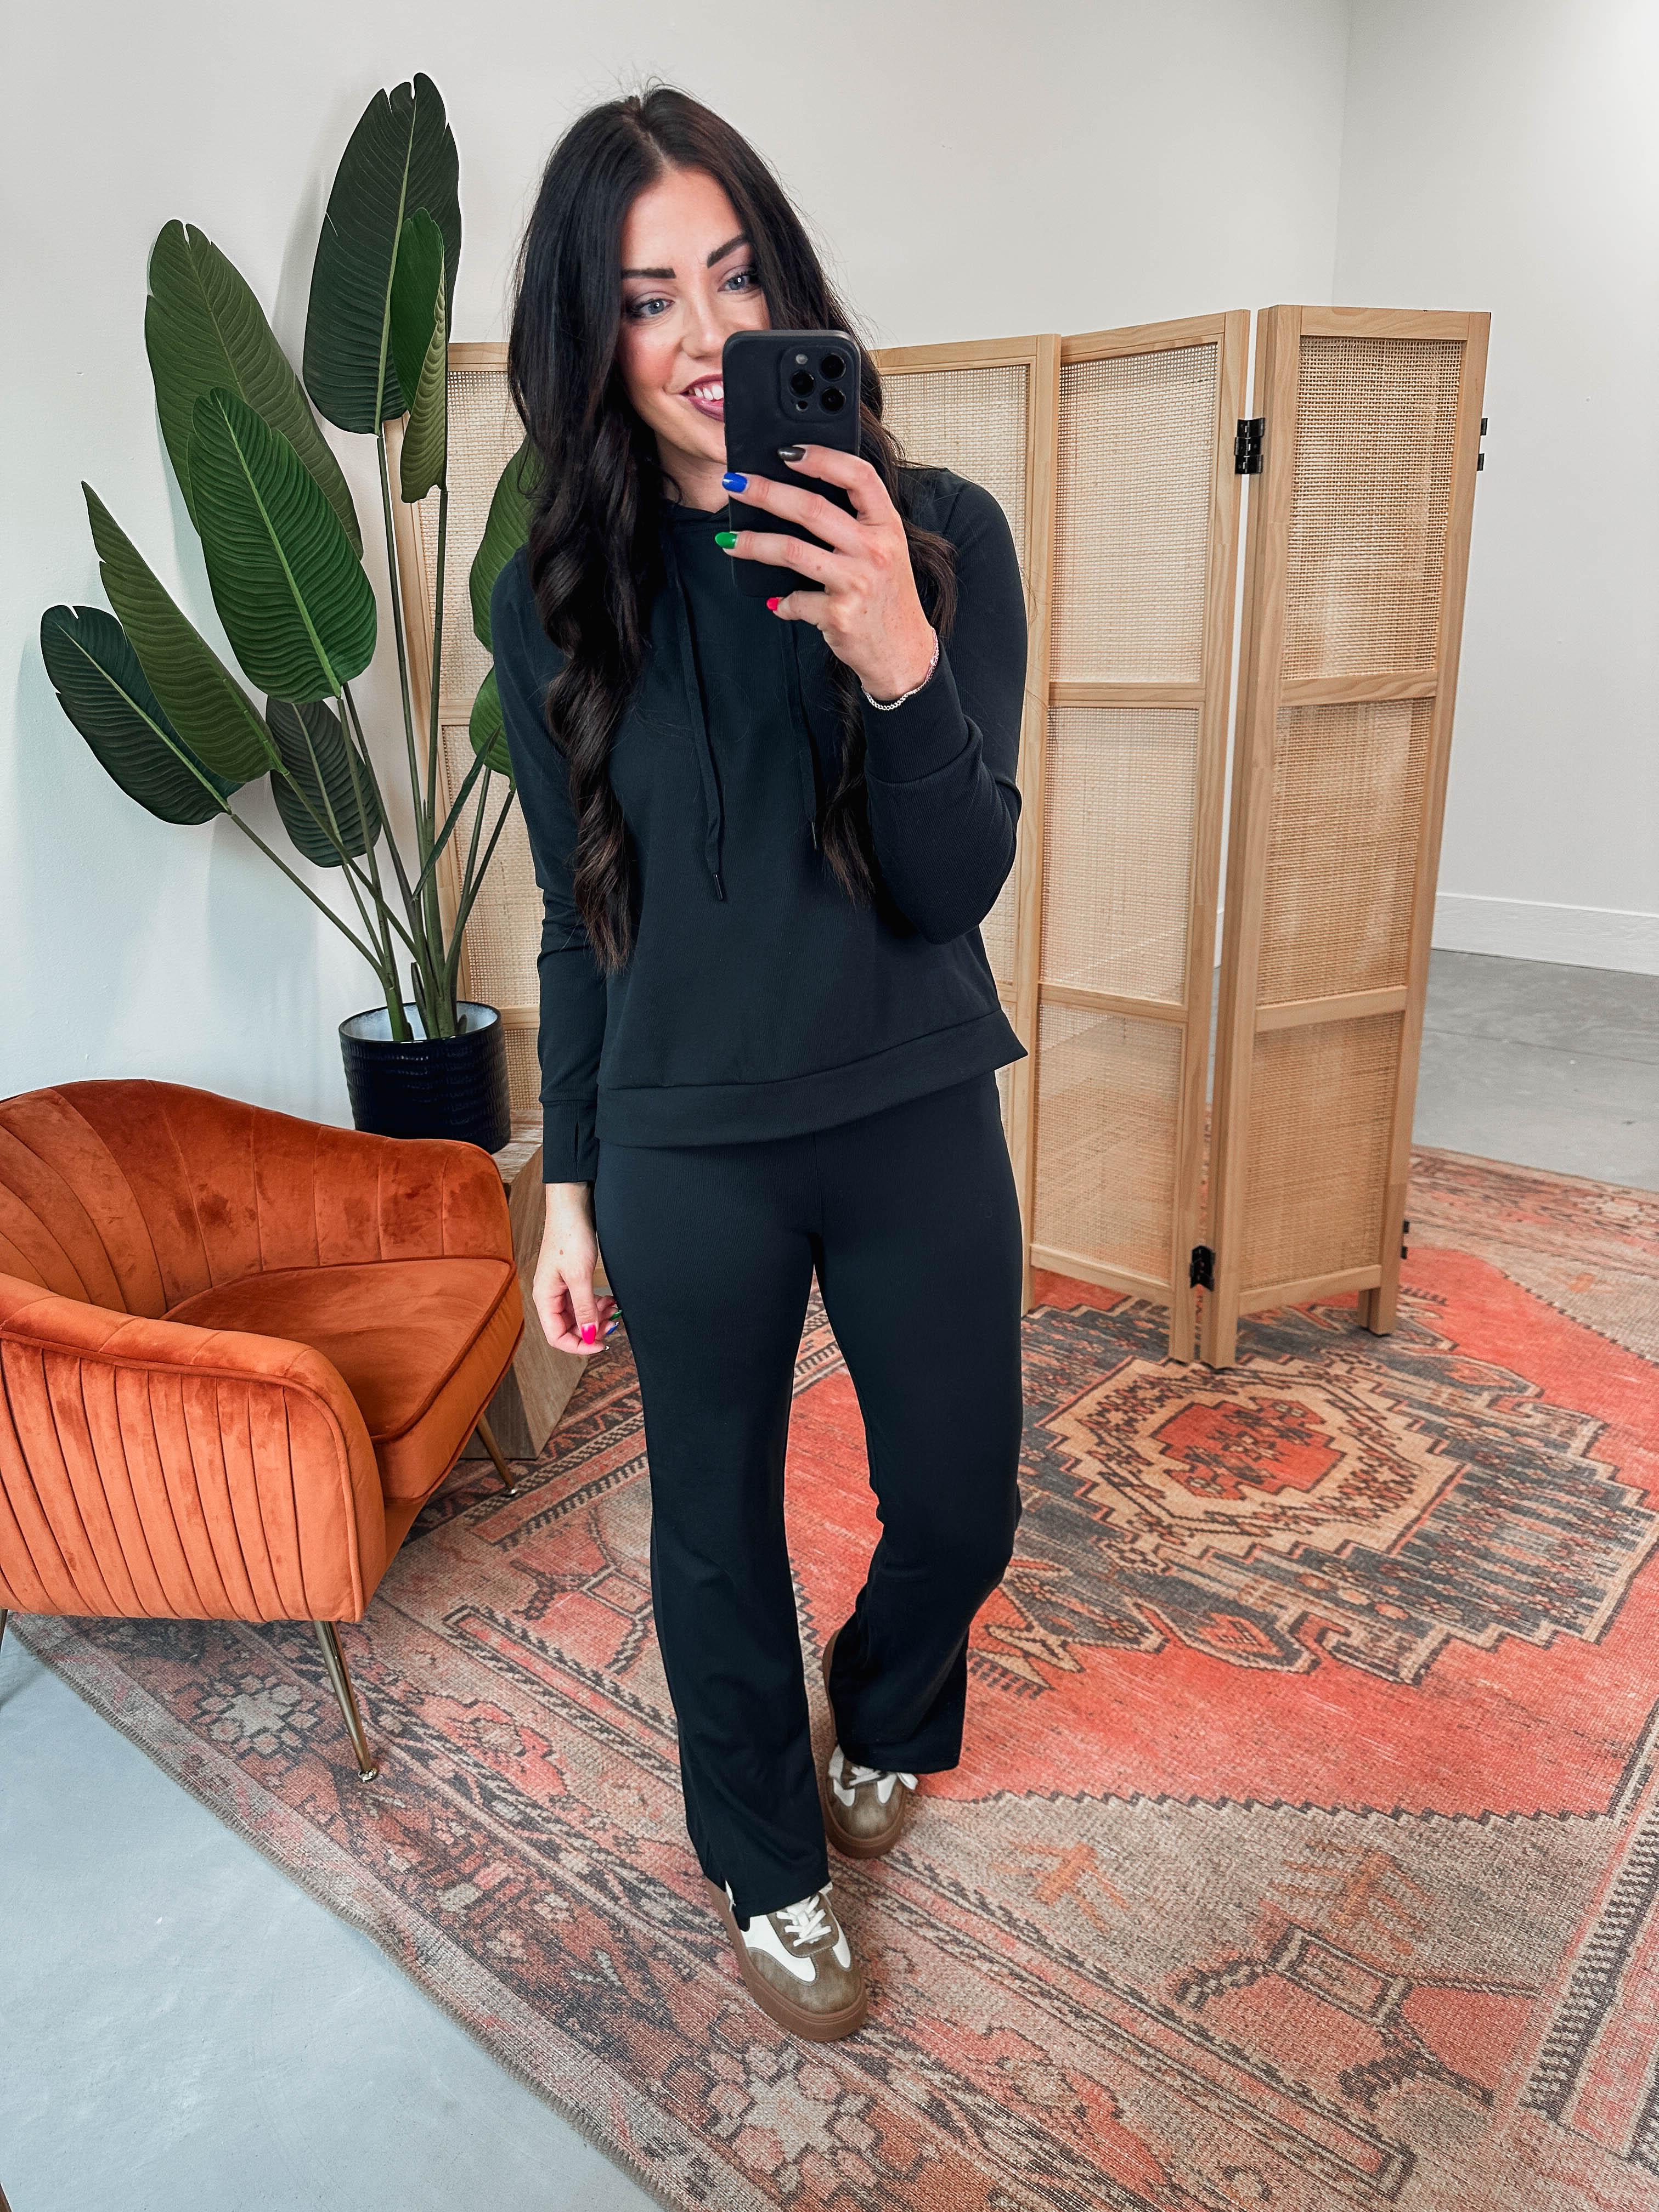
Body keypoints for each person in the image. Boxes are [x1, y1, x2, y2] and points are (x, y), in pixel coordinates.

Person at [494, 84, 1028, 2042]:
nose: (707, 336)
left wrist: (897, 655)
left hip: (910, 1099)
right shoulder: (554, 593)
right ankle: (768, 1864)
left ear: (786, 280)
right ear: (593, 336)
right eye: (650, 300)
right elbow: (579, 913)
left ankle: (885, 1706)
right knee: (713, 1531)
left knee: (961, 1504)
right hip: (684, 1144)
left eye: (734, 277)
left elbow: (958, 876)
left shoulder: (939, 537)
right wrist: (567, 1183)